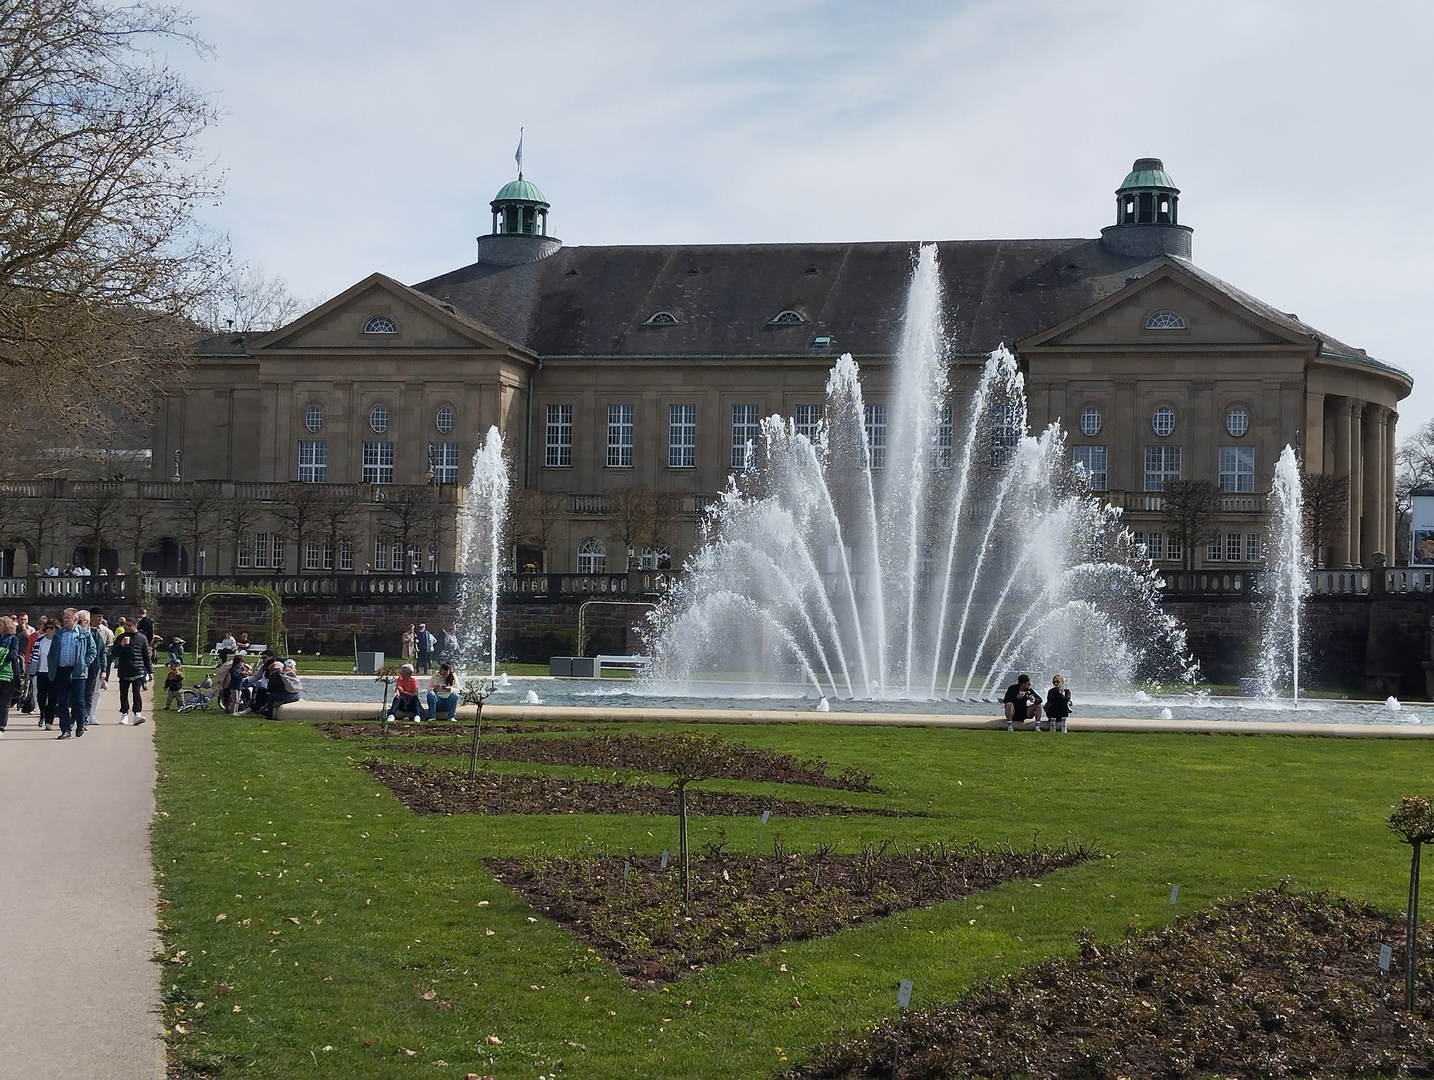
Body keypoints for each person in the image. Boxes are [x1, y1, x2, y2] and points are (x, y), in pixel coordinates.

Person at [49, 607, 97, 739]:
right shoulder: (59, 634)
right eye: (63, 617)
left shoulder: (84, 634)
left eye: (67, 618)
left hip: (77, 672)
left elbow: (92, 651)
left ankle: (81, 723)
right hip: (61, 671)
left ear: (75, 619)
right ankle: (65, 729)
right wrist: (52, 666)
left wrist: (84, 663)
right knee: (62, 702)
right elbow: (52, 653)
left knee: (77, 700)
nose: (64, 620)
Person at [109, 621, 152, 725]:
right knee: (123, 693)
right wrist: (121, 645)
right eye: (125, 626)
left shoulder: (142, 638)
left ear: (135, 626)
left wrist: (150, 671)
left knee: (136, 693)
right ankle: (124, 713)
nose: (127, 628)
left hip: (137, 669)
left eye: (129, 625)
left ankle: (137, 714)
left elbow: (146, 655)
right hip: (124, 669)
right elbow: (114, 652)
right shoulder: (121, 637)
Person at [77, 609, 107, 727]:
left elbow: (102, 652)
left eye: (81, 621)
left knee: (89, 693)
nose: (79, 624)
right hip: (76, 669)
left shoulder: (95, 635)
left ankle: (86, 717)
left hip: (92, 668)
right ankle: (76, 715)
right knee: (77, 694)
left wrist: (103, 669)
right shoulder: (72, 634)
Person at [28, 618, 56, 729]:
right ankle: (43, 714)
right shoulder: (39, 641)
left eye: (52, 628)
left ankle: (49, 720)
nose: (49, 630)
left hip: (54, 673)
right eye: (47, 628)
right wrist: (31, 670)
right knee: (41, 696)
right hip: (41, 672)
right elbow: (33, 657)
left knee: (53, 697)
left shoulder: (58, 642)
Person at [0, 615, 23, 737]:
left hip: (7, 674)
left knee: (4, 703)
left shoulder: (13, 639)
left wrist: (1, 653)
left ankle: (1, 727)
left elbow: (12, 655)